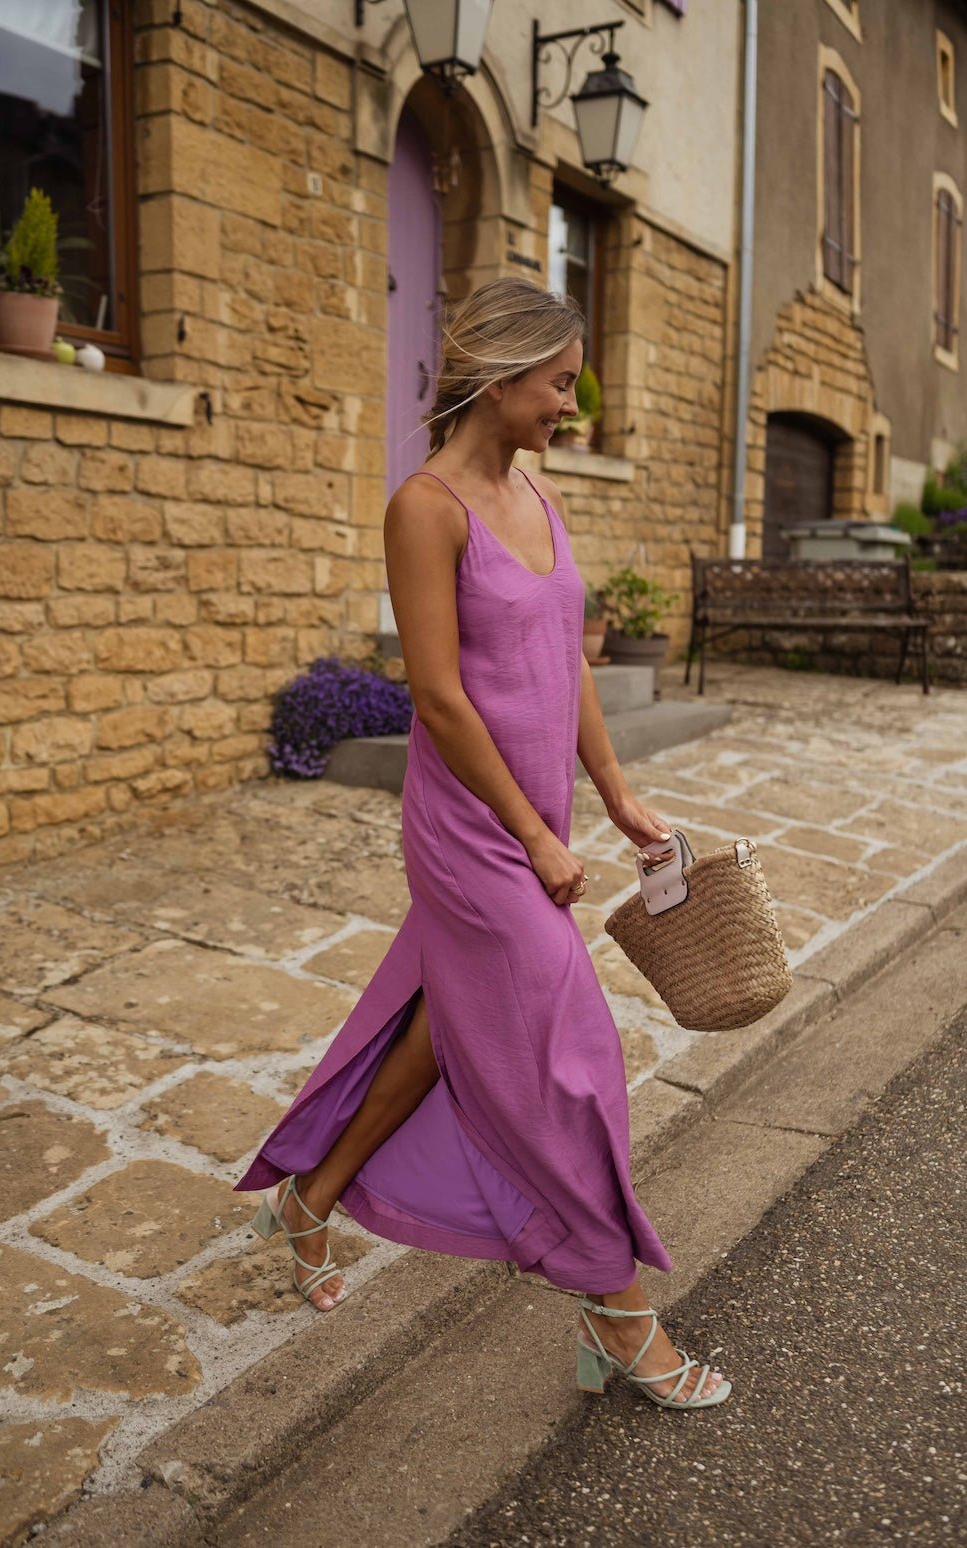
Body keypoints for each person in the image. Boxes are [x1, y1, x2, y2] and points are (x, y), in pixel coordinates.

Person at [233, 277, 731, 1410]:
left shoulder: (538, 492)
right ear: (500, 378)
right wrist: (533, 834)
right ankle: (619, 1315)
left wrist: (615, 797)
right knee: (572, 1062)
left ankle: (311, 1198)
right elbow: (441, 700)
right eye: (559, 384)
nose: (572, 405)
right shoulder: (427, 507)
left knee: (440, 1026)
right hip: (472, 827)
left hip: (535, 817)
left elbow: (569, 659)